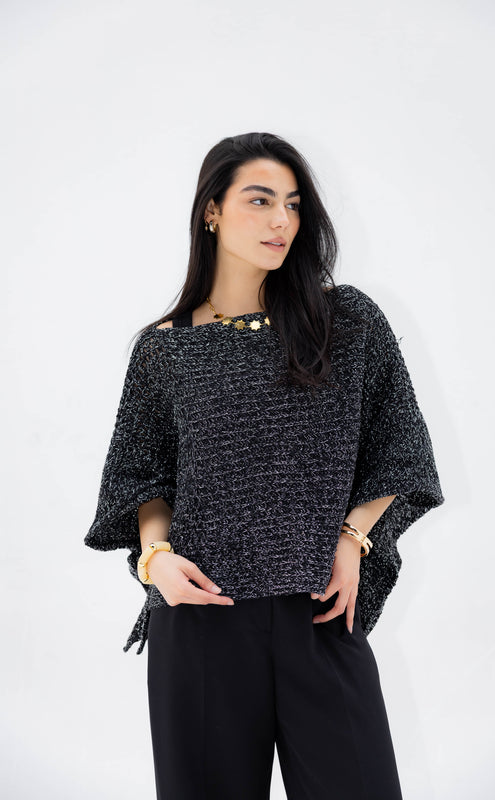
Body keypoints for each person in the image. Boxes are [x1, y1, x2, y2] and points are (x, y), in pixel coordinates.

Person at [85, 131, 445, 800]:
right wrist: (155, 558)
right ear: (212, 210)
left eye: (293, 204)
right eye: (259, 200)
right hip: (200, 618)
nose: (281, 220)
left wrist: (353, 539)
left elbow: (400, 448)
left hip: (319, 613)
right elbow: (143, 479)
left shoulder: (346, 321)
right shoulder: (164, 351)